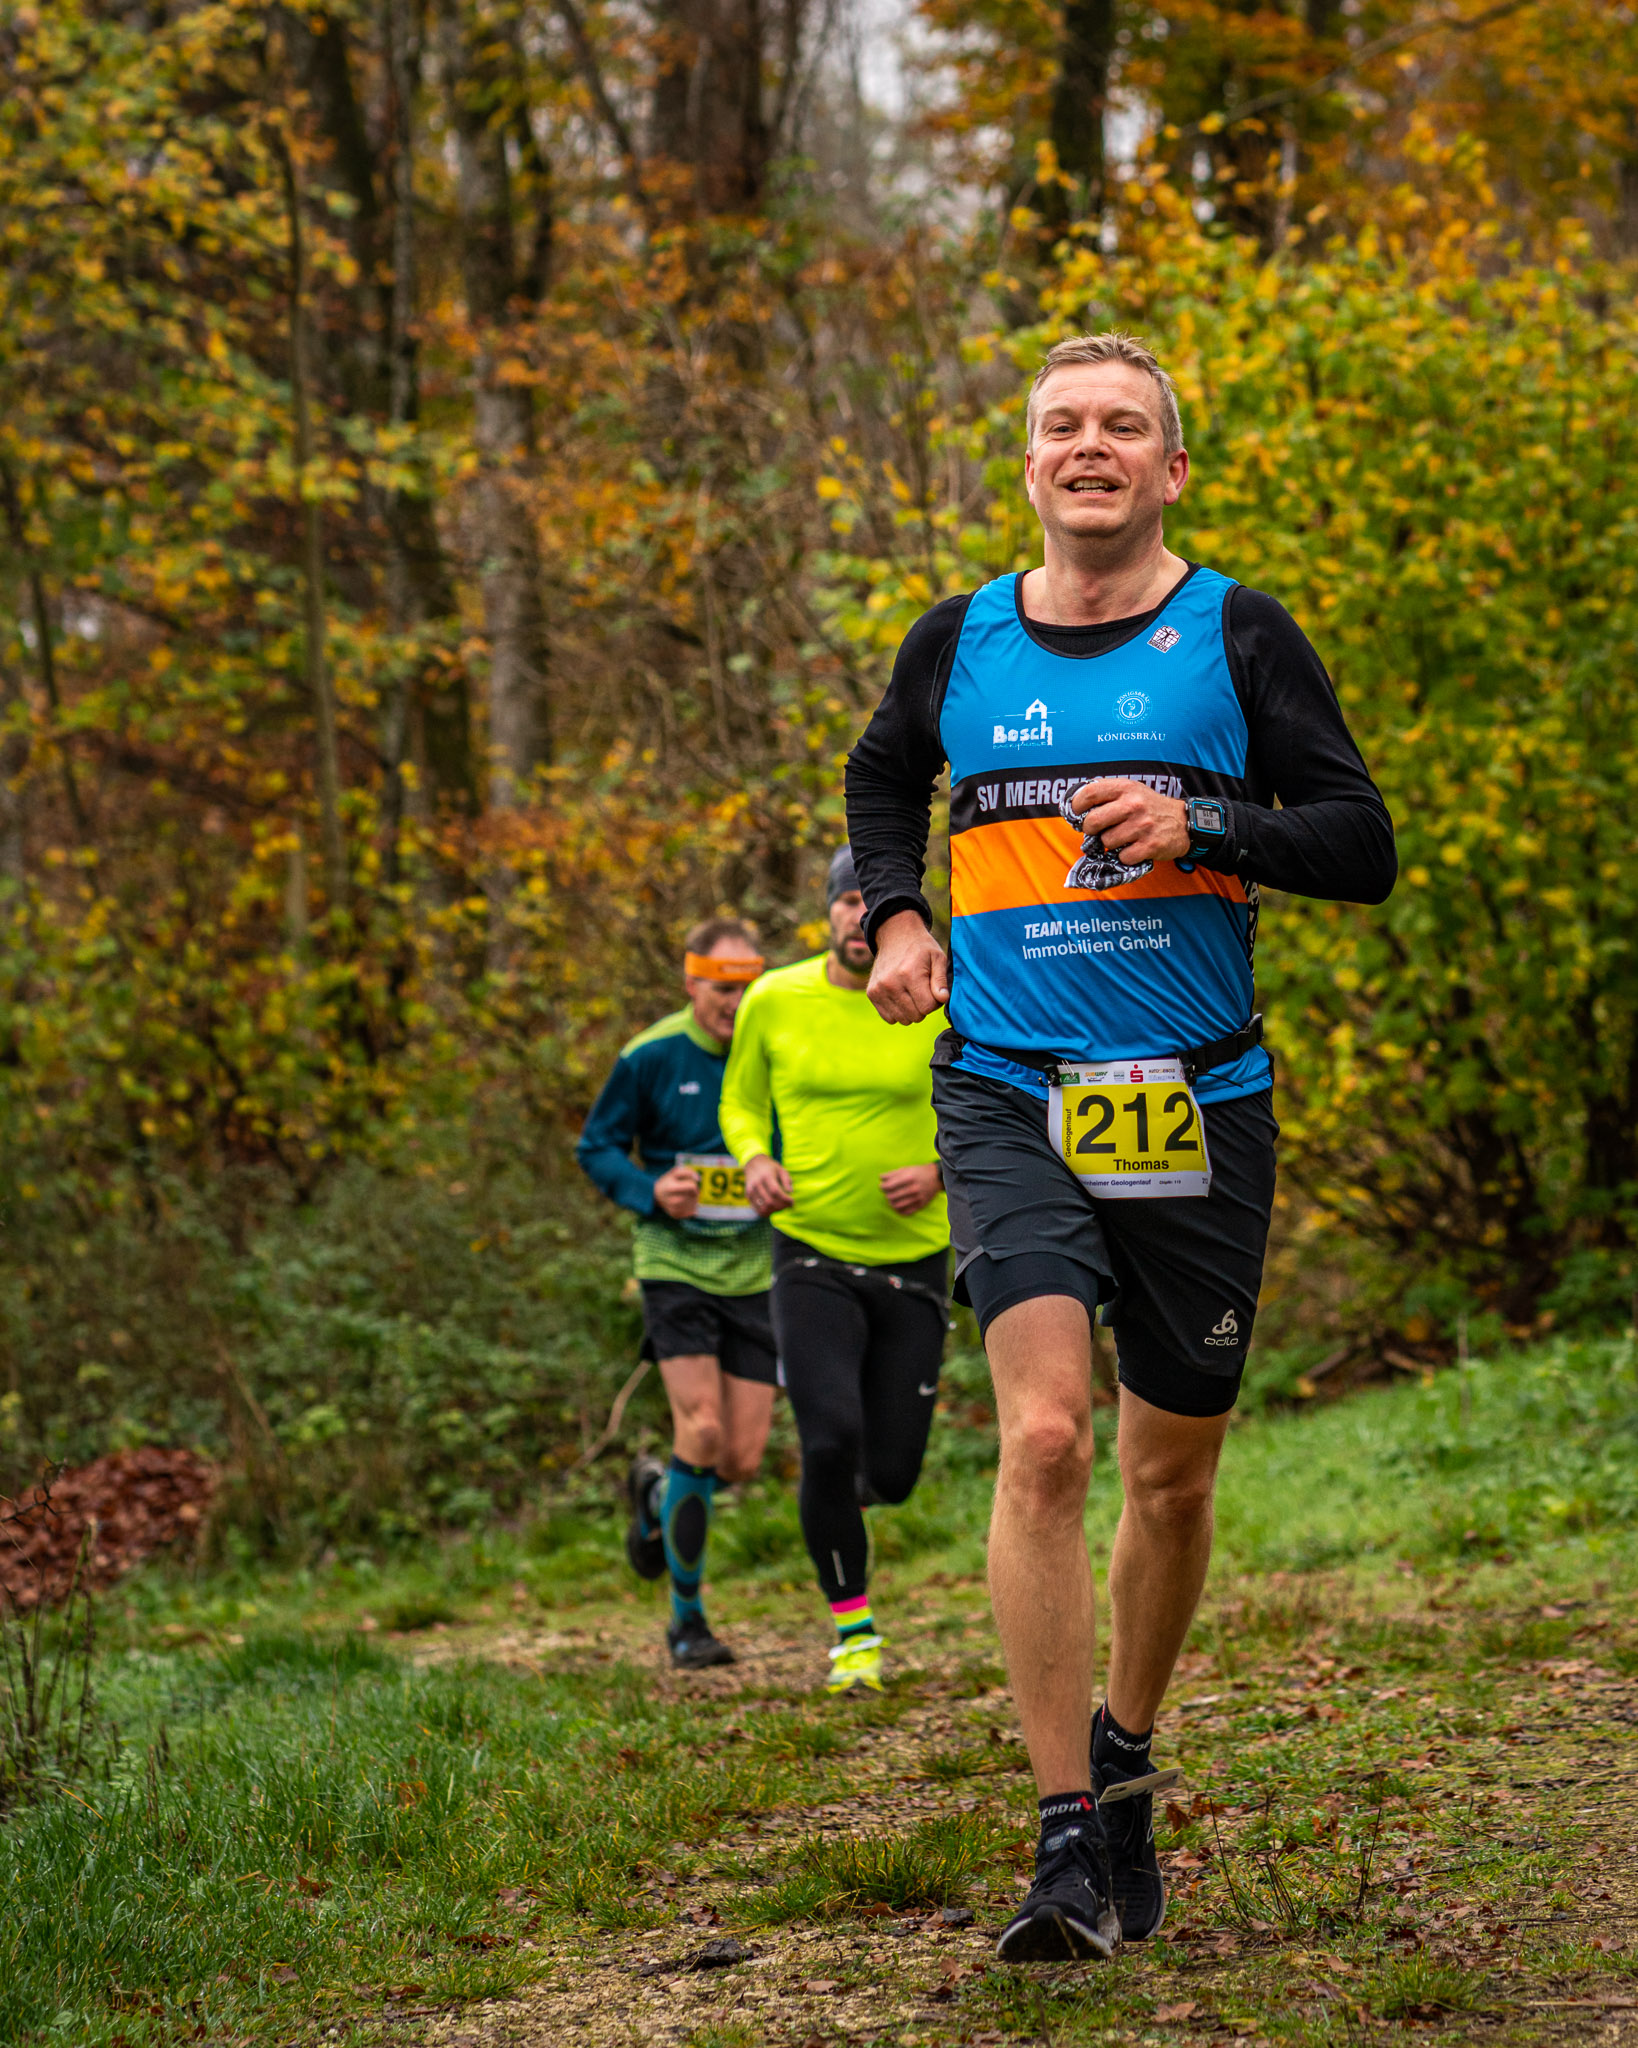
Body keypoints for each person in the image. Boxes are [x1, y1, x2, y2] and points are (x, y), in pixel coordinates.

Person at [846, 331, 1396, 1959]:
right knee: (1043, 1439)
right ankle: (1063, 1834)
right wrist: (894, 912)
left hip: (1195, 1100)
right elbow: (882, 774)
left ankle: (1127, 1749)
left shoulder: (1236, 632)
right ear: (1027, 463)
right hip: (1005, 1087)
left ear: (1168, 467)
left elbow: (1360, 843)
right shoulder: (955, 638)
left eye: (1121, 426)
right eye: (1060, 425)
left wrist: (1206, 821)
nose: (1088, 446)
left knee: (1167, 1473)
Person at [718, 849, 949, 1696]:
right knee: (825, 1438)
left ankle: (837, 1500)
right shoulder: (774, 1000)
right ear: (828, 912)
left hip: (914, 1257)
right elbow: (741, 1102)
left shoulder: (944, 996)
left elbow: (991, 1102)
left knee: (889, 1474)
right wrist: (753, 1159)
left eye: (875, 903)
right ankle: (854, 1632)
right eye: (848, 901)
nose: (861, 916)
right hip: (808, 1249)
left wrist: (940, 1171)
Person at [575, 917, 774, 1671]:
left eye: (748, 986)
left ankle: (659, 1494)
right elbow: (597, 1146)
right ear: (692, 983)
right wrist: (652, 1190)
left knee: (741, 1458)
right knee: (702, 1429)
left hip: (755, 1270)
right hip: (674, 1264)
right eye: (722, 988)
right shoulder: (650, 1055)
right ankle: (687, 1624)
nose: (735, 1002)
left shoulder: (774, 1047)